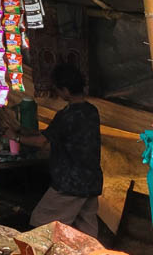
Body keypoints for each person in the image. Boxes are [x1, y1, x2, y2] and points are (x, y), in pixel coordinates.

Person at [24, 62, 103, 235]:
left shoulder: (66, 116)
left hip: (71, 183)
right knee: (86, 229)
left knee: (41, 222)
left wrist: (15, 137)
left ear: (65, 90)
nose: (57, 93)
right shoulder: (92, 111)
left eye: (58, 90)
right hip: (92, 179)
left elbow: (41, 141)